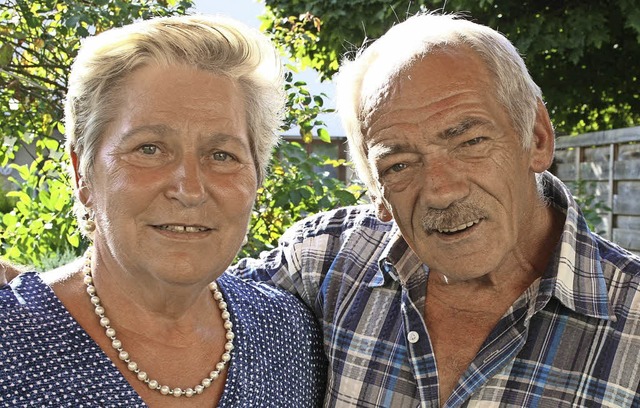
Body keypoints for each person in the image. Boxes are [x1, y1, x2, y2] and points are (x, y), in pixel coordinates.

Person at [233, 12, 640, 407]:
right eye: (400, 165)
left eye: (470, 142)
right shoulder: (328, 261)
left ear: (536, 139)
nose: (441, 191)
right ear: (377, 191)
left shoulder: (633, 315)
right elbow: (191, 301)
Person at [0, 14, 326, 407]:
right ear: (82, 173)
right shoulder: (11, 335)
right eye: (149, 149)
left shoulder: (288, 336)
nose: (189, 190)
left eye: (222, 155)